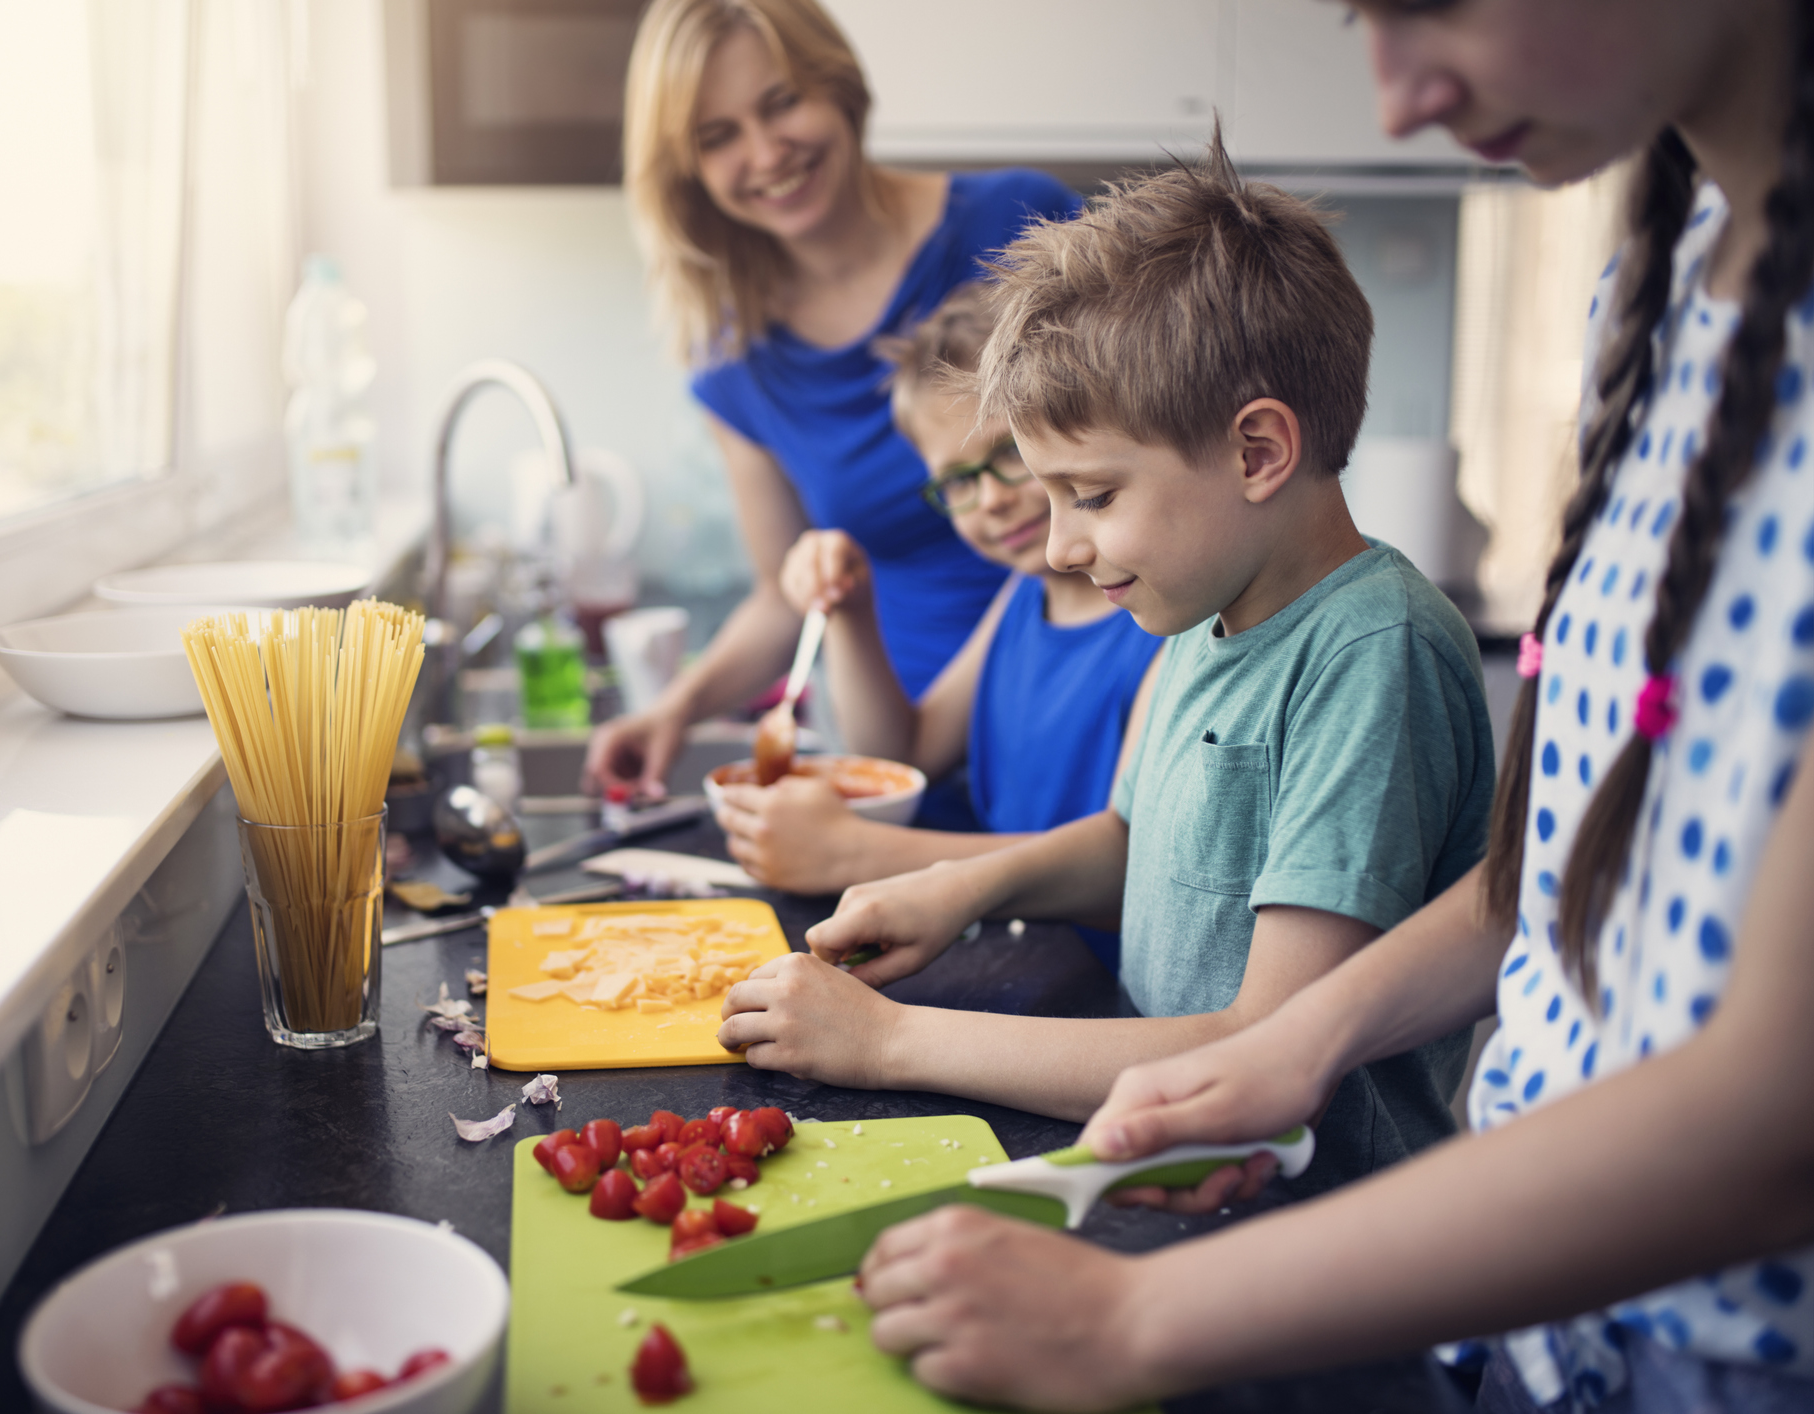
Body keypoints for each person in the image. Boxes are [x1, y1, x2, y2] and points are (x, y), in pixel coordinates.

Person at [848, 3, 1814, 1412]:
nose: (1395, 95)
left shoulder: (1369, 642)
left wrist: (1132, 1315)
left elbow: (1772, 1128)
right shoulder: (1651, 298)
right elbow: (1549, 882)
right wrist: (1296, 1044)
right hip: (1530, 1324)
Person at [717, 133, 1494, 1196]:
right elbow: (1140, 838)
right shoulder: (1203, 611)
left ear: (1257, 452)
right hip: (1159, 1161)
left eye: (1092, 496)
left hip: (1302, 1215)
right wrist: (956, 887)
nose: (1057, 548)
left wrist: (888, 1042)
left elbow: (1262, 1049)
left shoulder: (1368, 654)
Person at [584, 0, 1082, 807]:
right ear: (688, 170)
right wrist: (675, 708)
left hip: (1082, 703)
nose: (765, 152)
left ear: (839, 86)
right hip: (905, 757)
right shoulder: (734, 360)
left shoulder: (1018, 224)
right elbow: (786, 593)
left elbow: (1143, 458)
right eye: (717, 136)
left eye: (781, 102)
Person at [710, 283, 1160, 930]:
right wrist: (852, 610)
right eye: (956, 480)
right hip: (1023, 947)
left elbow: (1128, 865)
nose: (989, 499)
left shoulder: (1158, 618)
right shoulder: (1023, 596)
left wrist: (856, 852)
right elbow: (906, 755)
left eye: (1007, 454)